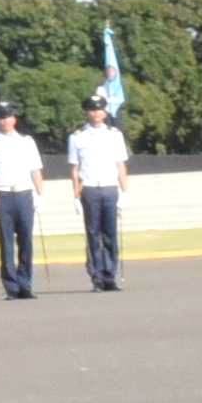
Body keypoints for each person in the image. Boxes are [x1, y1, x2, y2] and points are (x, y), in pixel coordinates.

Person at [66, 90, 130, 289]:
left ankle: (110, 275)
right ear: (87, 113)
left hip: (110, 188)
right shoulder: (78, 137)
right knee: (93, 235)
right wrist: (76, 195)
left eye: (99, 110)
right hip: (91, 189)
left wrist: (125, 192)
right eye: (92, 110)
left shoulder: (114, 135)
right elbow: (75, 169)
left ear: (105, 113)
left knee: (110, 234)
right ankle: (97, 277)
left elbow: (121, 165)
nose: (96, 113)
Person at [0, 110, 44, 298]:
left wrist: (41, 195)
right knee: (6, 243)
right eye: (1, 118)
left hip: (24, 193)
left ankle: (25, 283)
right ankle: (11, 286)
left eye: (8, 117)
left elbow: (36, 170)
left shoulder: (27, 142)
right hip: (4, 195)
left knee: (26, 242)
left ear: (14, 119)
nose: (5, 121)